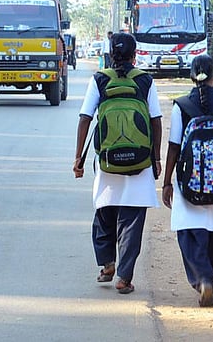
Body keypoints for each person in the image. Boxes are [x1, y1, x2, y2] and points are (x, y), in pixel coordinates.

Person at [73, 33, 162, 295]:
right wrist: (156, 158)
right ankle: (124, 277)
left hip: (108, 162)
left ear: (110, 55)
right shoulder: (146, 81)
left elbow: (85, 118)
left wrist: (78, 158)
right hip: (140, 162)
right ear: (136, 55)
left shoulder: (100, 80)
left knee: (104, 213)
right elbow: (155, 120)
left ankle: (107, 264)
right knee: (131, 222)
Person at [162, 54, 213, 307]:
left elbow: (175, 147)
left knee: (188, 231)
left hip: (190, 184)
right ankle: (212, 276)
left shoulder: (182, 105)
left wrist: (167, 183)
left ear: (190, 76)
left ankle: (202, 278)